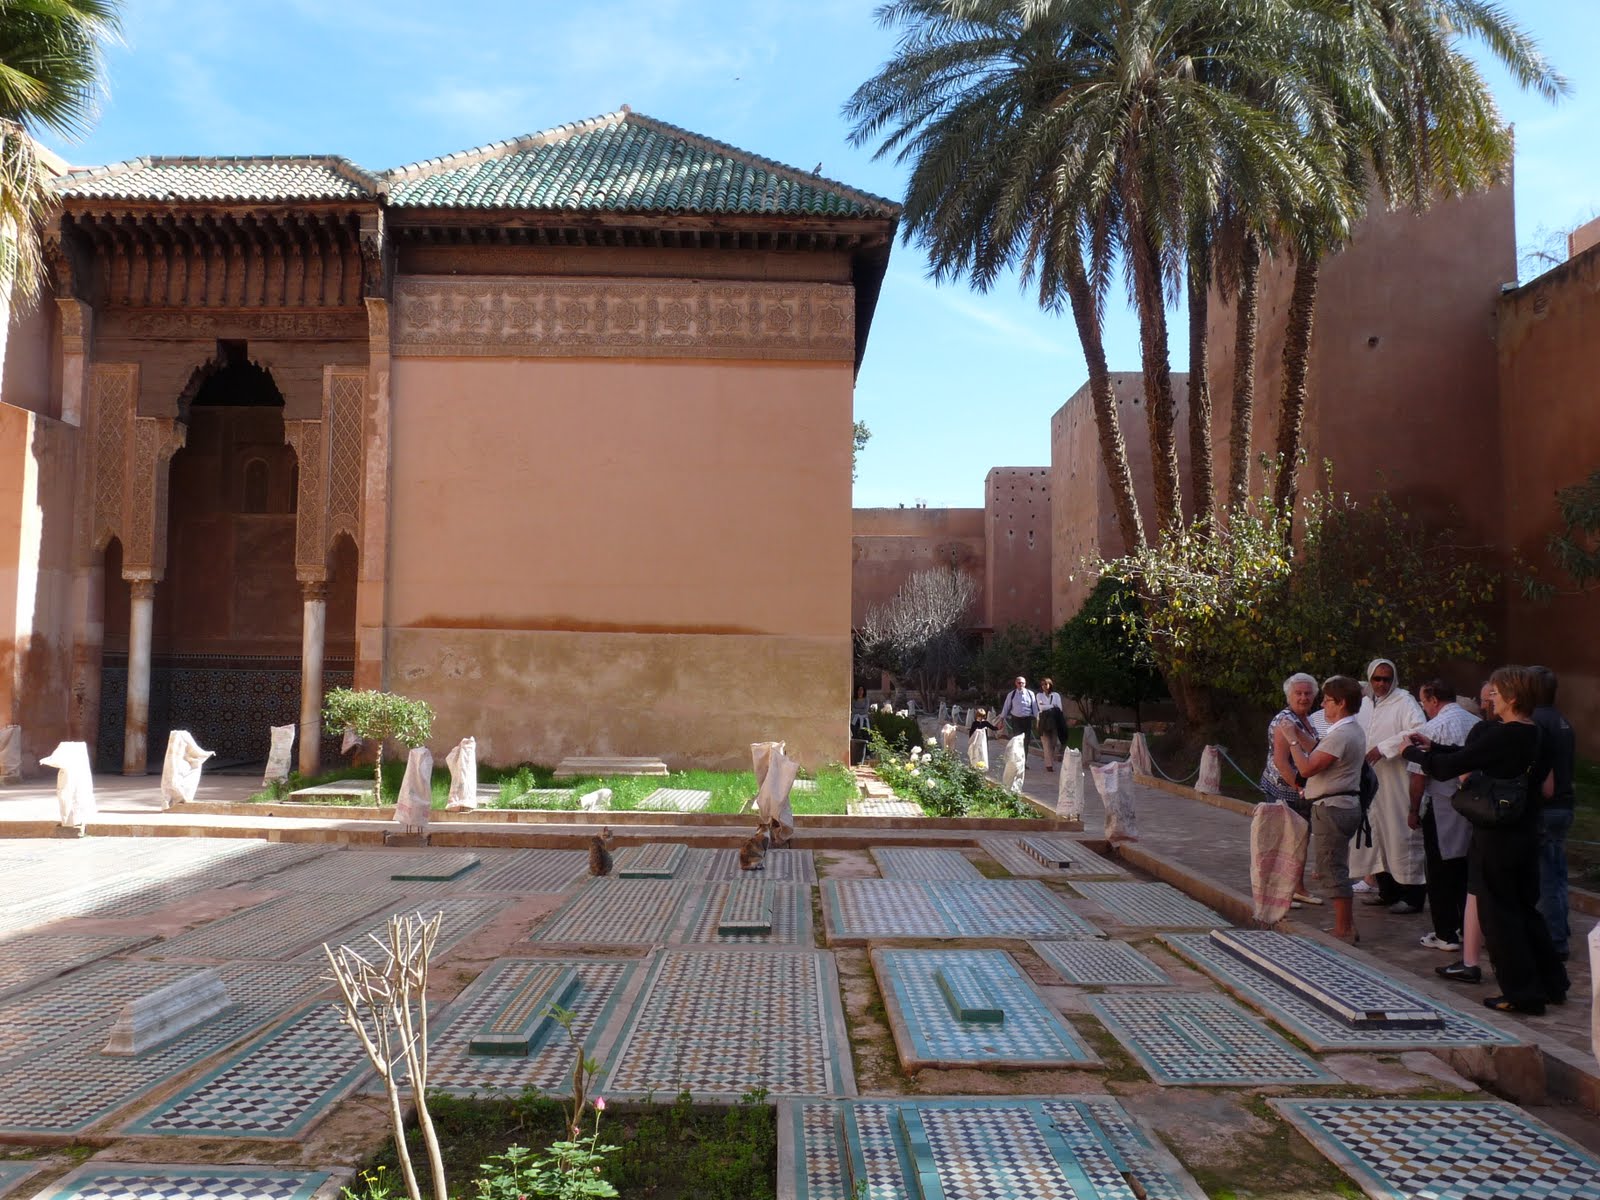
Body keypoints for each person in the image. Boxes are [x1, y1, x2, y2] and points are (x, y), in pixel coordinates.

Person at [1405, 666, 1568, 1015]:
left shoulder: (1503, 736)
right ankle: (1553, 983)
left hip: (1498, 835)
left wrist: (1413, 753)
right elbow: (1473, 756)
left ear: (1511, 697)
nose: (1490, 699)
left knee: (1499, 915)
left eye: (1495, 693)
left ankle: (1522, 993)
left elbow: (1452, 767)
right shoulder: (1539, 734)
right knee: (1525, 908)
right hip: (1527, 829)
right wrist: (1434, 746)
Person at [1287, 675, 1368, 942]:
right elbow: (1323, 752)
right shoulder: (1348, 730)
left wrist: (1292, 741)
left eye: (1328, 701)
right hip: (1343, 804)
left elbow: (1308, 767)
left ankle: (1344, 927)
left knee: (1332, 868)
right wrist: (1299, 733)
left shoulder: (1343, 732)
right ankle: (1344, 925)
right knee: (1334, 864)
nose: (1323, 705)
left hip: (1333, 807)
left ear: (1341, 703)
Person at [1408, 680, 1479, 953]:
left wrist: (1413, 810)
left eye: (1424, 701)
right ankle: (1466, 926)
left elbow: (1418, 777)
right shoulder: (1476, 723)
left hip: (1442, 806)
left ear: (1434, 700)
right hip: (1473, 807)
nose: (1423, 707)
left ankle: (1445, 933)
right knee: (1465, 868)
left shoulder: (1430, 729)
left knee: (1439, 871)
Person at [1352, 658, 1427, 913]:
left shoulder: (1405, 702)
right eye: (1376, 679)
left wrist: (1384, 748)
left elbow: (1418, 731)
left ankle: (1413, 896)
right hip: (1369, 781)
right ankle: (1387, 891)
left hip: (1395, 780)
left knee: (1400, 835)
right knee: (1376, 833)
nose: (1381, 683)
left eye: (1386, 679)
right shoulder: (1363, 704)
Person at [1529, 665, 1576, 959]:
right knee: (1557, 875)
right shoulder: (1562, 721)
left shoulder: (1537, 723)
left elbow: (1544, 779)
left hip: (1547, 808)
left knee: (1546, 877)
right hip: (1564, 806)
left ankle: (1554, 939)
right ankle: (1560, 930)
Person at [1262, 673, 1319, 819]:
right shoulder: (1284, 722)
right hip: (1285, 791)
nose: (1303, 698)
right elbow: (1281, 762)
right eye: (1298, 693)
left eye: (1308, 693)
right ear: (1289, 696)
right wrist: (1301, 790)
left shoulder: (1307, 717)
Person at [1036, 678, 1067, 772]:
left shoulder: (1056, 695)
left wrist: (1048, 707)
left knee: (1053, 743)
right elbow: (1041, 707)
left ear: (1050, 685)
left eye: (1046, 684)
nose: (1044, 686)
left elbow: (1060, 708)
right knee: (1046, 743)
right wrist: (1052, 706)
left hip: (1054, 722)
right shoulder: (1039, 695)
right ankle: (1048, 764)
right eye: (1042, 685)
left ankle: (1051, 760)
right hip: (1043, 721)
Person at [997, 676, 1038, 742]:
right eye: (1019, 683)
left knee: (1026, 740)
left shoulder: (1030, 694)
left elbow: (1034, 707)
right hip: (1016, 720)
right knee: (1017, 739)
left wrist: (1037, 719)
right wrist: (1001, 720)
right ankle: (1018, 752)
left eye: (1023, 683)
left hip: (1027, 720)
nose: (1021, 684)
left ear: (1025, 683)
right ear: (1016, 683)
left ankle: (1025, 752)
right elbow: (1006, 707)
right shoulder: (1011, 694)